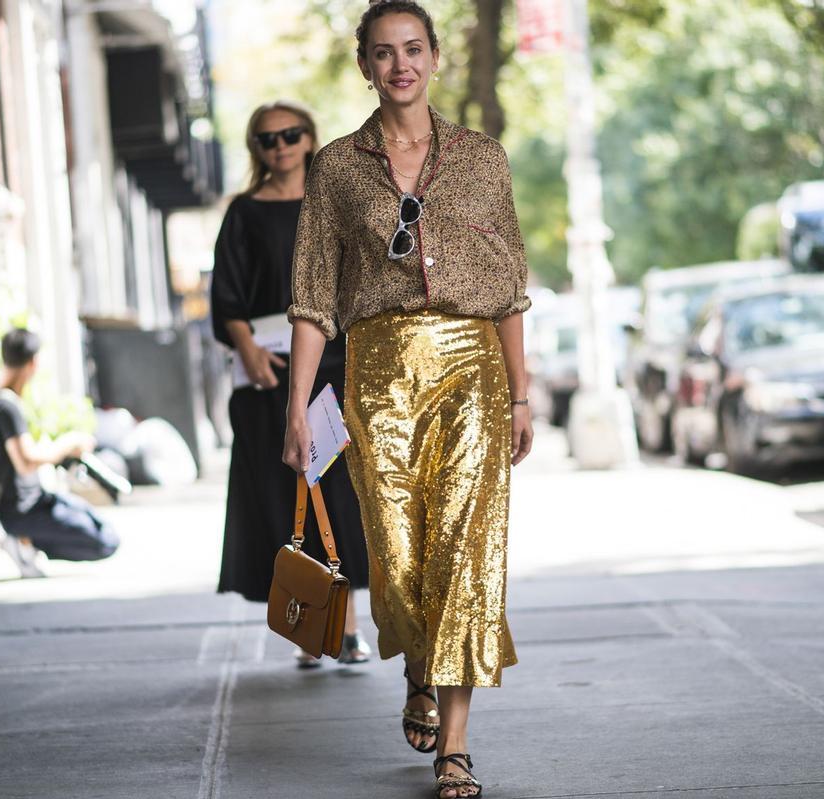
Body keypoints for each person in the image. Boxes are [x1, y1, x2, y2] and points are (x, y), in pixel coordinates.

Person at [282, 2, 533, 795]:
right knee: (391, 557)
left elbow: (511, 289)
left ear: (434, 58)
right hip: (377, 370)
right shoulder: (334, 167)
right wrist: (297, 407)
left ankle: (455, 743)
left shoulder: (482, 158)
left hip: (471, 368)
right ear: (364, 64)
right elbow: (314, 298)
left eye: (414, 49)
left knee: (465, 548)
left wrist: (521, 396)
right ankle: (418, 665)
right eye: (384, 53)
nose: (401, 65)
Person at [210, 100, 372, 667]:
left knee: (341, 502)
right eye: (267, 138)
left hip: (336, 370)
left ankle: (348, 629)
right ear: (256, 149)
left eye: (290, 134)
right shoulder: (243, 213)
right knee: (287, 504)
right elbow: (225, 298)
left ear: (309, 138)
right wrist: (247, 347)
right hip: (268, 377)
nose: (279, 145)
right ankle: (310, 631)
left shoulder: (336, 205)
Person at [0, 328, 119, 577]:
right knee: (105, 540)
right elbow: (26, 461)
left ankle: (26, 541)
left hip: (36, 501)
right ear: (32, 363)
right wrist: (68, 444)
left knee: (100, 527)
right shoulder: (5, 407)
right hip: (24, 510)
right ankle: (24, 541)